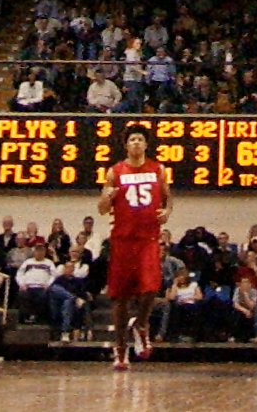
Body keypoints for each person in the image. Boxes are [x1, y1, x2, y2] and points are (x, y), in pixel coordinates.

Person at [99, 122, 172, 370]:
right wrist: (106, 197)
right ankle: (120, 350)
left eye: (140, 139)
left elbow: (168, 198)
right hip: (122, 240)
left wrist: (167, 212)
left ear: (146, 144)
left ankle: (141, 324)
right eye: (132, 140)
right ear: (126, 145)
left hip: (148, 238)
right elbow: (101, 209)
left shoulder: (158, 169)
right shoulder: (115, 172)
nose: (136, 143)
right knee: (119, 298)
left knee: (151, 286)